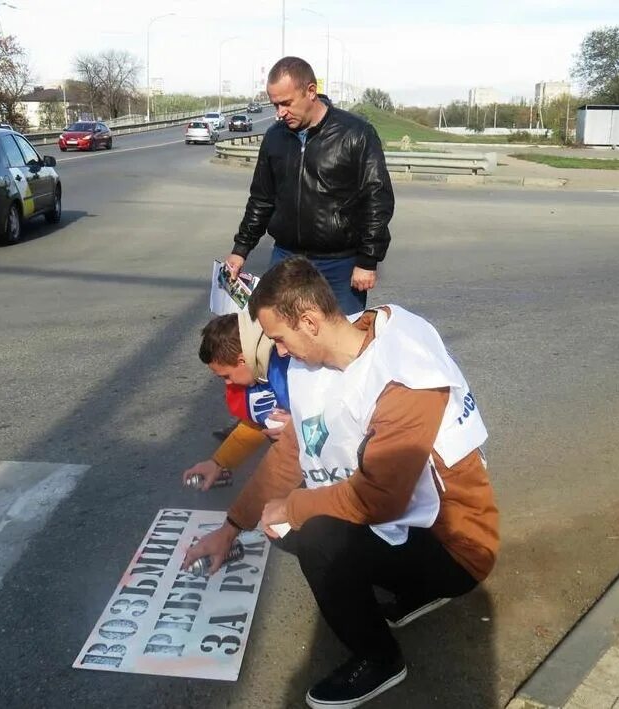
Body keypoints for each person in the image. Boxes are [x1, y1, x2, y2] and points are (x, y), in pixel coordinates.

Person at [182, 257, 499, 709]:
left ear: (309, 322)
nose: (279, 352)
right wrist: (231, 528)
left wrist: (295, 508)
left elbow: (381, 498)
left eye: (279, 339)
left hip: (459, 546)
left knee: (313, 535)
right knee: (283, 523)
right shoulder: (326, 351)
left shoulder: (404, 374)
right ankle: (414, 591)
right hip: (410, 525)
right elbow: (292, 452)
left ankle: (379, 659)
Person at [223, 56, 395, 316]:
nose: (280, 113)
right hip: (286, 259)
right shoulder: (274, 137)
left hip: (340, 264)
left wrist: (368, 260)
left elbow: (377, 199)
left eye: (286, 103)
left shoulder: (356, 133)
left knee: (340, 349)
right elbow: (262, 199)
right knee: (279, 341)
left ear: (311, 91)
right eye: (275, 105)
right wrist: (240, 250)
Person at [182, 311, 291, 490]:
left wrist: (304, 424)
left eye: (227, 376)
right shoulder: (257, 369)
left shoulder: (290, 362)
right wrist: (217, 463)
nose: (228, 383)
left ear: (242, 360)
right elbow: (256, 424)